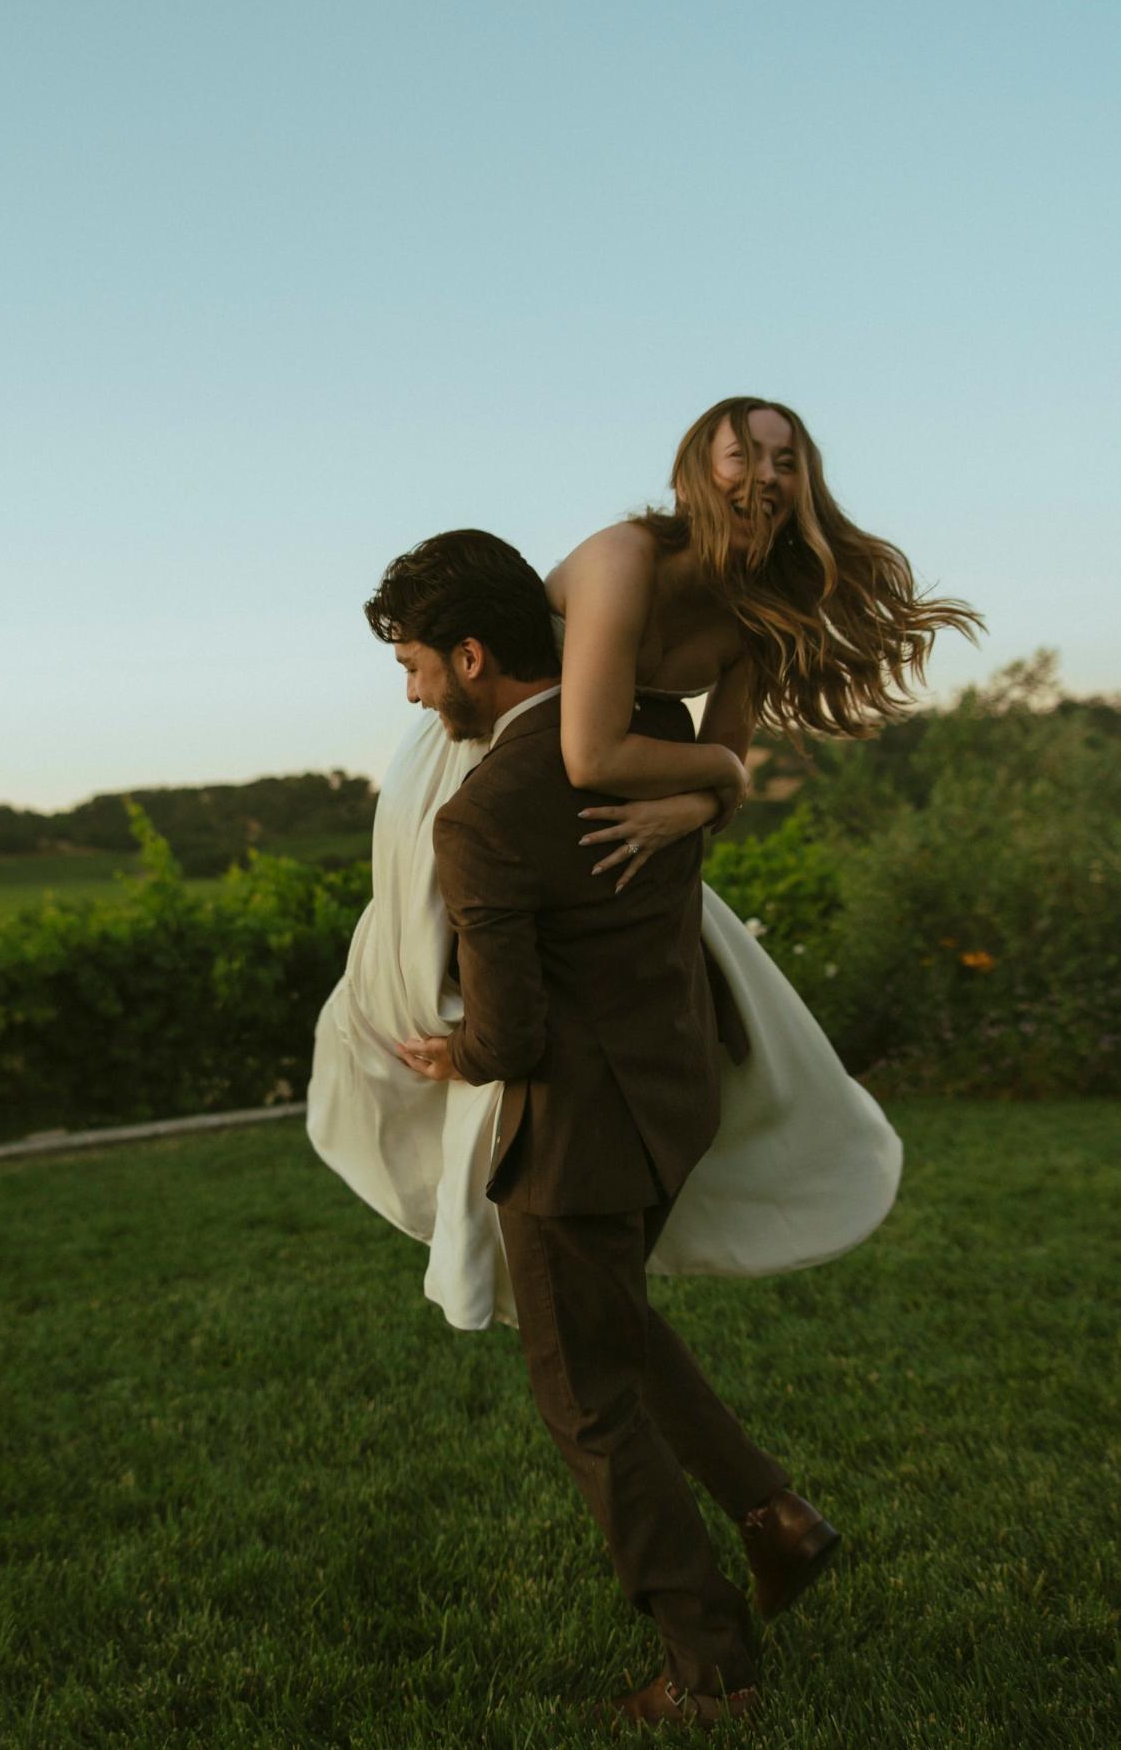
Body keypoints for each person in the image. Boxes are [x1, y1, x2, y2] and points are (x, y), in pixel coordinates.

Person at [306, 398, 980, 1330]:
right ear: (693, 475)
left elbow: (717, 797)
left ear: (806, 481)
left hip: (612, 802)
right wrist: (717, 772)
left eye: (787, 459)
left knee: (698, 998)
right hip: (492, 765)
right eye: (742, 455)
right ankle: (482, 1190)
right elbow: (598, 754)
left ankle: (623, 1196)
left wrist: (702, 798)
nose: (766, 475)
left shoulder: (757, 614)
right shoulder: (625, 558)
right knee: (420, 980)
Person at [377, 526, 846, 1729]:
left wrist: (453, 1052)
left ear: (475, 656)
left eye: (420, 666)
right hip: (673, 1094)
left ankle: (709, 1663)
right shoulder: (661, 736)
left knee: (583, 1396)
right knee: (616, 1323)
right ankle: (774, 1517)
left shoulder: (482, 816)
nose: (418, 693)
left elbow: (513, 1034)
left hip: (578, 1133)